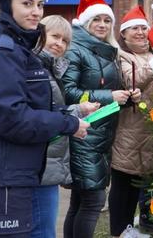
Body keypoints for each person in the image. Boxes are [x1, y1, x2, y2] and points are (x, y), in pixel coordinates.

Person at [0, 0, 89, 238]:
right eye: (27, 4)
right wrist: (69, 123)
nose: (36, 12)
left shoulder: (18, 49)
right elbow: (13, 119)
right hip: (4, 178)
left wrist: (70, 113)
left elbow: (31, 107)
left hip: (22, 173)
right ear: (7, 5)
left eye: (40, 5)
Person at [61, 0, 141, 238]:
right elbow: (68, 93)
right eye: (96, 19)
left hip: (100, 135)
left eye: (107, 20)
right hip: (84, 135)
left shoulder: (106, 51)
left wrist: (127, 99)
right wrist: (109, 96)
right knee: (93, 200)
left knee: (80, 200)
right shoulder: (76, 49)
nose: (103, 24)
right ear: (85, 22)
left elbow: (108, 97)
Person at [108, 5, 153, 238]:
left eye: (143, 28)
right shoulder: (122, 56)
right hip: (130, 131)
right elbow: (131, 81)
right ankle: (120, 230)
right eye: (134, 29)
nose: (139, 32)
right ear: (124, 34)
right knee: (124, 185)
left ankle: (151, 218)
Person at [31, 15, 101, 238]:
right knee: (42, 229)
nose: (59, 44)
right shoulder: (37, 70)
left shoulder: (50, 69)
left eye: (64, 40)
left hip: (49, 163)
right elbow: (38, 117)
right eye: (54, 36)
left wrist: (79, 110)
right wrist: (73, 122)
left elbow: (52, 112)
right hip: (40, 163)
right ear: (40, 35)